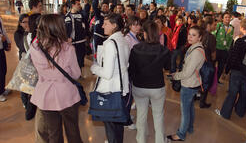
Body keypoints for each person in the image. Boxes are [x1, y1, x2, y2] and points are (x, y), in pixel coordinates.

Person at [30, 14, 83, 143]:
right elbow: (76, 74)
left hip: (46, 95)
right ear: (59, 28)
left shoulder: (35, 47)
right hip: (67, 94)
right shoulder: (67, 49)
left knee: (53, 133)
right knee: (73, 130)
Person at [90, 14, 130, 143]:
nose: (102, 26)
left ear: (114, 25)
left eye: (106, 24)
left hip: (111, 89)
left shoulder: (110, 44)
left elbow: (107, 73)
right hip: (121, 88)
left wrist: (94, 68)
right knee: (117, 126)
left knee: (111, 128)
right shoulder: (124, 40)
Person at [129, 21, 170, 143]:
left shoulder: (136, 49)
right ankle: (160, 140)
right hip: (157, 86)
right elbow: (168, 67)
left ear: (145, 34)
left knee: (141, 114)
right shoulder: (164, 50)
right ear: (157, 34)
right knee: (158, 116)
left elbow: (131, 69)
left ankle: (141, 139)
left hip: (139, 86)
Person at [216, 19, 246, 119]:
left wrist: (227, 70)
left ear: (242, 28)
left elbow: (233, 57)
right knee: (244, 92)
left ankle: (225, 113)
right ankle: (240, 112)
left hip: (237, 71)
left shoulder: (240, 41)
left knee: (232, 93)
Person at [167, 26, 205, 141]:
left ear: (200, 37)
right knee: (190, 108)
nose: (190, 37)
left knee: (185, 111)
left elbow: (187, 72)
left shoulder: (197, 52)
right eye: (189, 34)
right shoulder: (194, 47)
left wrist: (175, 76)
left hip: (189, 84)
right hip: (192, 82)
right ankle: (190, 128)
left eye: (194, 35)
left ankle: (181, 134)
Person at [199, 16, 217, 108]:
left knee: (198, 81)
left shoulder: (200, 33)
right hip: (207, 63)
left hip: (198, 62)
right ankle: (202, 102)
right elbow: (213, 54)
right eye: (214, 24)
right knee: (206, 83)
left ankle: (196, 96)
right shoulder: (211, 37)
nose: (216, 26)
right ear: (209, 25)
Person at [65, 0, 87, 69]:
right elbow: (63, 29)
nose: (79, 6)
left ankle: (79, 75)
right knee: (71, 60)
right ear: (73, 5)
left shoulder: (81, 15)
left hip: (81, 42)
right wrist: (66, 38)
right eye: (78, 4)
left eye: (79, 4)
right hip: (71, 43)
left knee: (80, 60)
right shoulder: (66, 17)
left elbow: (87, 10)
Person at [213, 12, 234, 84]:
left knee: (221, 67)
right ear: (222, 18)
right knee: (213, 65)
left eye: (229, 17)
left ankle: (216, 80)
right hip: (216, 49)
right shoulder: (218, 25)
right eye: (226, 17)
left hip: (225, 51)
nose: (227, 18)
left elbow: (230, 39)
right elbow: (213, 35)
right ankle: (210, 79)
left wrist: (228, 49)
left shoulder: (232, 28)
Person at [14, 14, 29, 107]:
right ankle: (24, 101)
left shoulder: (33, 31)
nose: (27, 24)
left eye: (28, 21)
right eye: (24, 22)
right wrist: (26, 33)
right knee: (24, 81)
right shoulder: (18, 33)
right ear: (20, 23)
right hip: (24, 59)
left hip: (32, 60)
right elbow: (21, 46)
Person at [0, 17, 11, 102]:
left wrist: (8, 41)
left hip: (1, 48)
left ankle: (2, 89)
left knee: (3, 70)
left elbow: (3, 30)